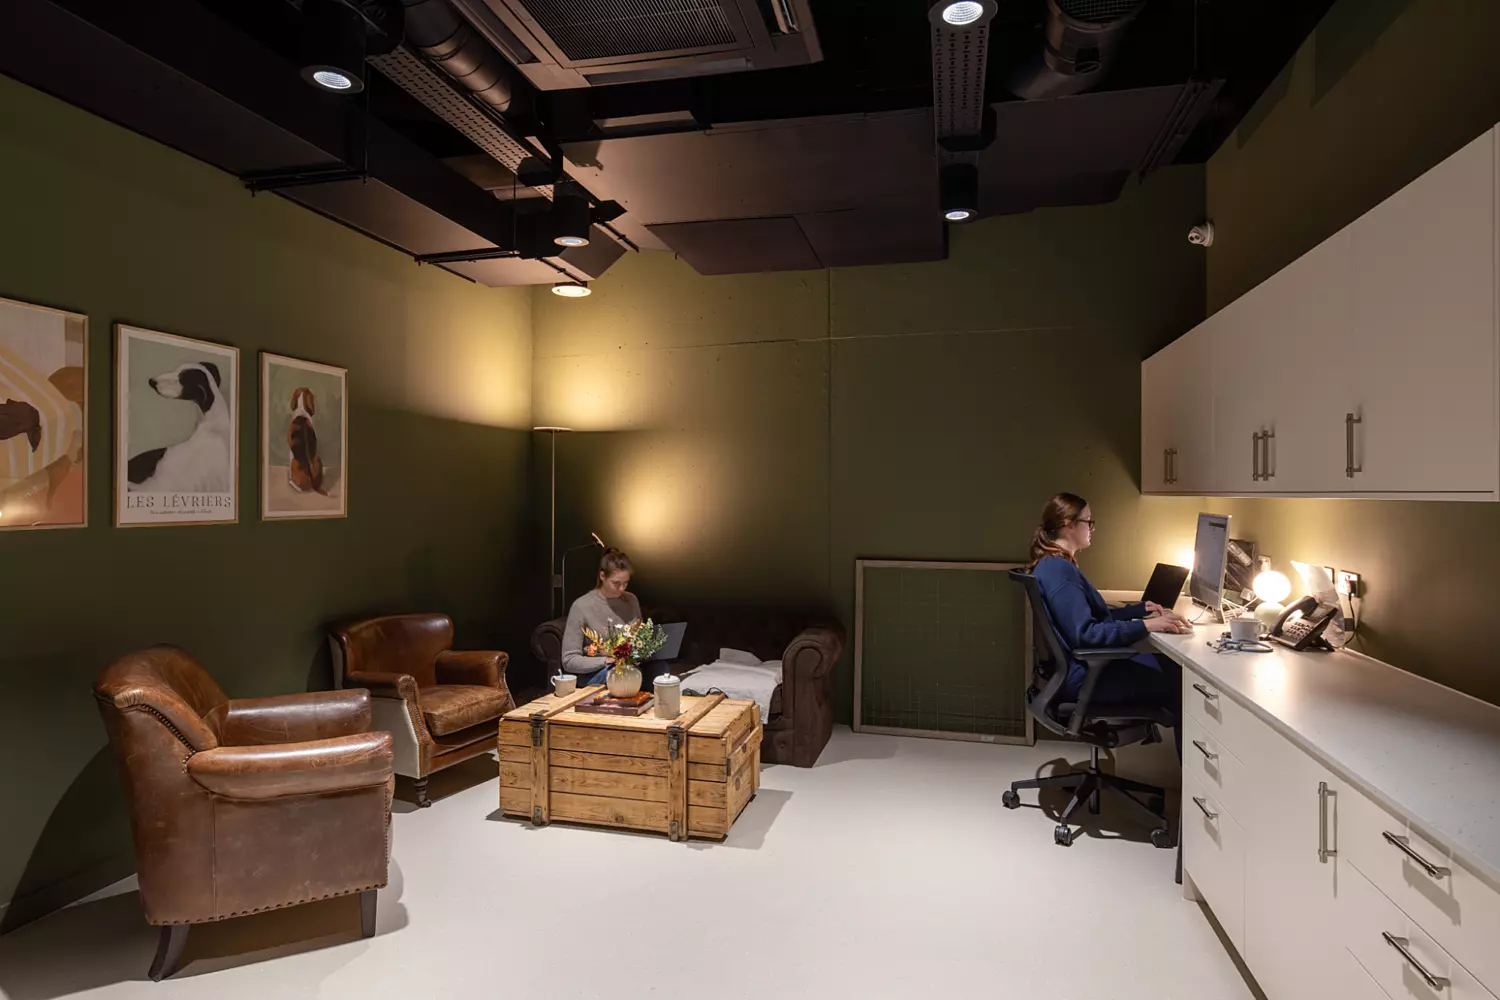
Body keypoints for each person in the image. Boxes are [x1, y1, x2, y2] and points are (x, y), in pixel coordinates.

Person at [1029, 493, 1191, 757]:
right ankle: (1195, 794)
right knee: (1186, 686)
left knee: (1171, 668)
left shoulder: (1055, 564)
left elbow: (1089, 621)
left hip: (1077, 670)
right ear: (1069, 524)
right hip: (1084, 676)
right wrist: (1147, 627)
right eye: (1088, 522)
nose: (1092, 528)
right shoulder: (1060, 571)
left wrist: (1138, 611)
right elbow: (1087, 634)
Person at [560, 548, 655, 689]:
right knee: (618, 674)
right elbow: (569, 660)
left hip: (630, 666)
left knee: (659, 670)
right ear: (602, 576)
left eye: (626, 583)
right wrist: (606, 660)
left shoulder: (631, 600)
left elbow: (638, 637)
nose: (622, 588)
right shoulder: (581, 606)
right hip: (599, 671)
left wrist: (644, 650)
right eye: (616, 583)